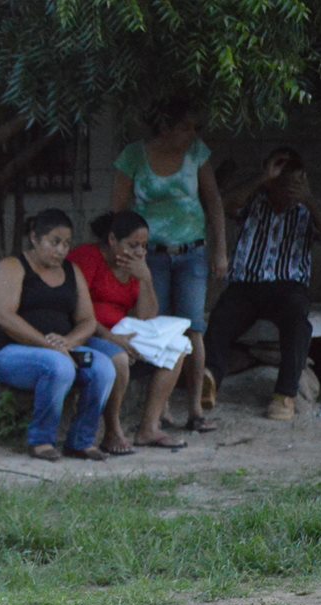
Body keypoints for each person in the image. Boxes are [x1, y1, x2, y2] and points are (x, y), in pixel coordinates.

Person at [112, 96, 228, 432]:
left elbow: (214, 201)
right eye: (184, 127)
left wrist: (220, 250)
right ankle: (159, 410)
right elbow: (120, 211)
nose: (191, 133)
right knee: (156, 326)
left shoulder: (197, 152)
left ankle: (196, 409)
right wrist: (125, 255)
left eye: (195, 127)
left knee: (194, 326)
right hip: (151, 254)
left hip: (192, 251)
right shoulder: (133, 156)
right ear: (163, 126)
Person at [205, 147, 321, 420]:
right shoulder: (253, 201)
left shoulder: (308, 210)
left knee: (297, 322)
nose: (285, 188)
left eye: (292, 180)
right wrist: (261, 178)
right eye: (280, 180)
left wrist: (308, 198)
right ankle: (209, 380)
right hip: (246, 285)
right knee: (221, 318)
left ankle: (284, 396)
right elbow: (221, 205)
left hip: (289, 287)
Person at [0, 208, 115, 462]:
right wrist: (47, 345)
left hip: (60, 348)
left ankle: (81, 441)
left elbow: (88, 320)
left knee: (104, 368)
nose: (62, 250)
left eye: (66, 243)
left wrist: (70, 341)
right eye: (55, 242)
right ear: (34, 238)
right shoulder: (11, 266)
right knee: (59, 366)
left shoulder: (72, 271)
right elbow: (5, 317)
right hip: (8, 351)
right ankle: (41, 440)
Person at [68, 211, 187, 453]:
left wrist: (145, 278)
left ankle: (148, 428)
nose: (140, 252)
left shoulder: (135, 268)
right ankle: (113, 431)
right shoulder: (88, 258)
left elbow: (146, 317)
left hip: (123, 331)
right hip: (90, 333)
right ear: (112, 240)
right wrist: (110, 337)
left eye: (144, 246)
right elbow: (76, 309)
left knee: (179, 346)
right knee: (119, 359)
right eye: (133, 245)